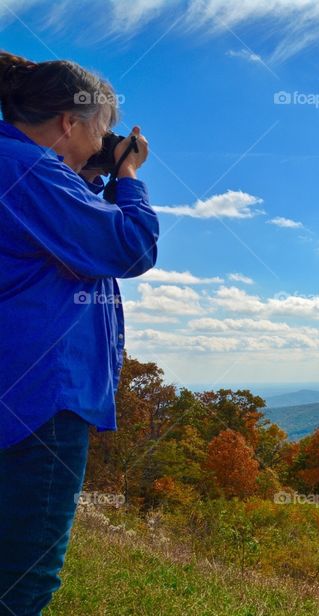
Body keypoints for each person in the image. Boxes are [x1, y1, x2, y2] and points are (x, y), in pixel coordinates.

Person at [0, 51, 157, 615]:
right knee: (23, 581)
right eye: (99, 128)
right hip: (37, 399)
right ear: (70, 120)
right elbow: (128, 246)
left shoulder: (21, 169)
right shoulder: (28, 169)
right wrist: (129, 176)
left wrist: (93, 178)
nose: (102, 143)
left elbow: (58, 234)